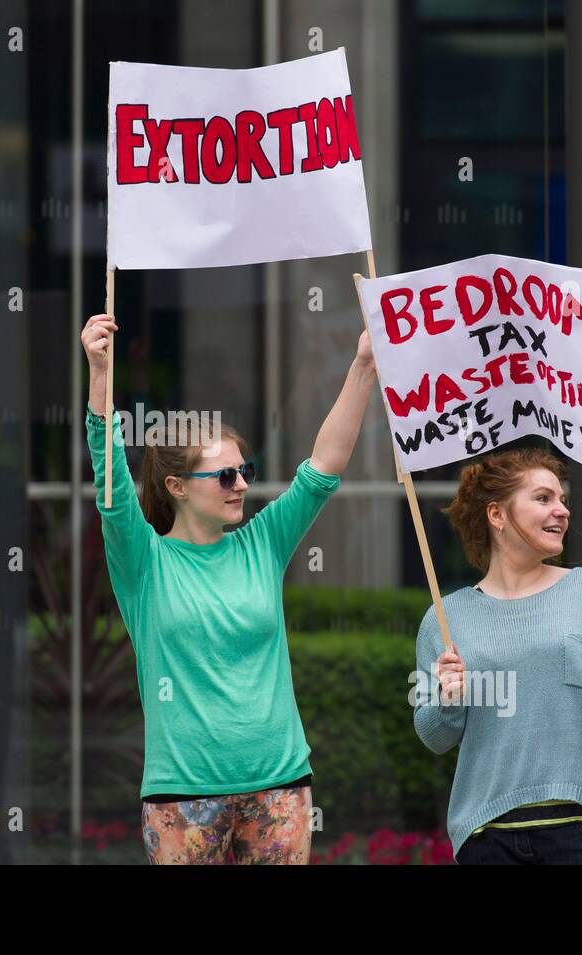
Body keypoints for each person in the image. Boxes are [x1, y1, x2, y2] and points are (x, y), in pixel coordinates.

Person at [81, 312, 376, 865]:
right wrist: (101, 375)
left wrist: (362, 366)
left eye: (245, 470)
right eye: (223, 476)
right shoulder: (144, 560)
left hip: (281, 784)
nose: (241, 484)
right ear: (176, 487)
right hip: (182, 794)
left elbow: (324, 467)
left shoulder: (262, 542)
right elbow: (112, 487)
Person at [412, 447, 582, 864]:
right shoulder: (444, 617)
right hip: (489, 839)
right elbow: (434, 736)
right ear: (497, 515)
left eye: (562, 499)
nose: (561, 510)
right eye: (544, 498)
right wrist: (447, 697)